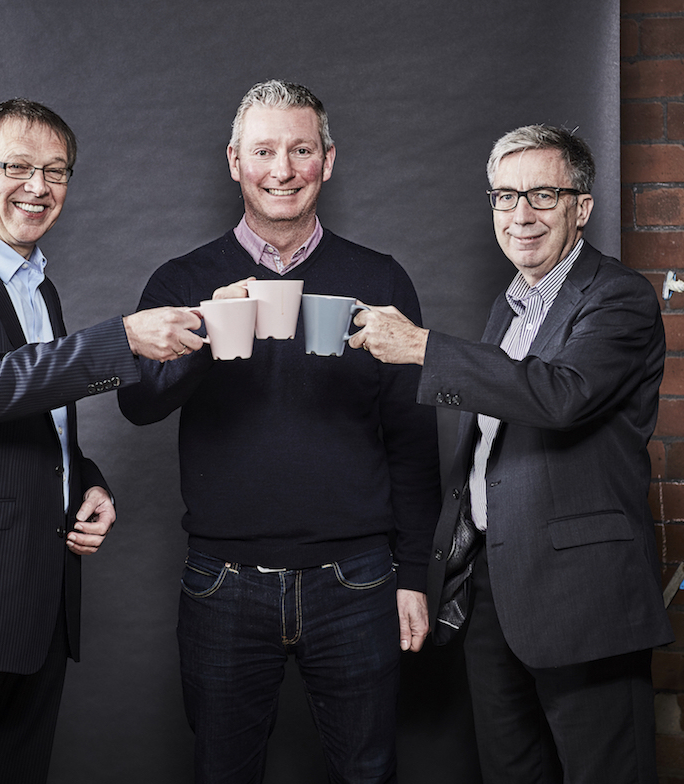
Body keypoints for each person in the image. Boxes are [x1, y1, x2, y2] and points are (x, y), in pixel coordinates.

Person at [116, 80, 442, 783]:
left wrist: (413, 574)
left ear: (328, 160)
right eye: (264, 150)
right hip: (222, 584)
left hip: (357, 581)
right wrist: (202, 331)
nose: (282, 169)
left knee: (370, 771)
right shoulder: (183, 279)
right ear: (235, 161)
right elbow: (137, 406)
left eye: (300, 150)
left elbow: (414, 443)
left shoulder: (377, 278)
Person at [0, 98, 204, 783]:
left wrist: (86, 480)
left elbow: (37, 413)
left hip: (38, 603)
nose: (39, 186)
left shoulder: (37, 286)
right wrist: (124, 337)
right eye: (17, 166)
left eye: (56, 171)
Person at [349, 125, 674, 783]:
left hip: (583, 594)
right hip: (492, 585)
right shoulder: (510, 306)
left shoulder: (619, 297)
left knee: (606, 771)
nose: (520, 215)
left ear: (581, 207)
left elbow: (563, 396)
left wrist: (423, 348)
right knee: (511, 773)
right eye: (504, 197)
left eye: (542, 195)